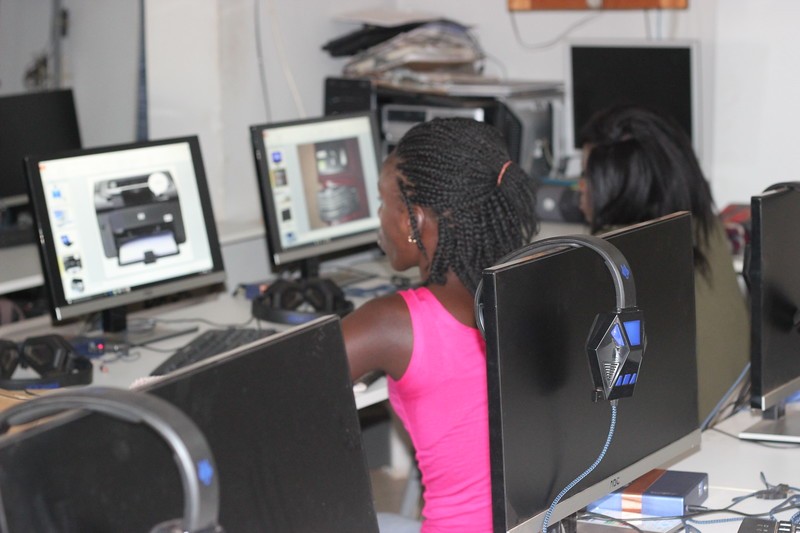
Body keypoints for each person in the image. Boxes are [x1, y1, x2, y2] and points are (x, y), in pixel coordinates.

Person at [342, 117, 538, 533]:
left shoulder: (392, 323)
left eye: (383, 203)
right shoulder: (529, 290)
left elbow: (283, 391)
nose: (379, 217)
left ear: (414, 220)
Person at [577, 104, 749, 423]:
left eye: (586, 175)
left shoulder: (612, 261)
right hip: (729, 416)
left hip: (677, 442)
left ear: (615, 184)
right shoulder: (706, 228)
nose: (581, 187)